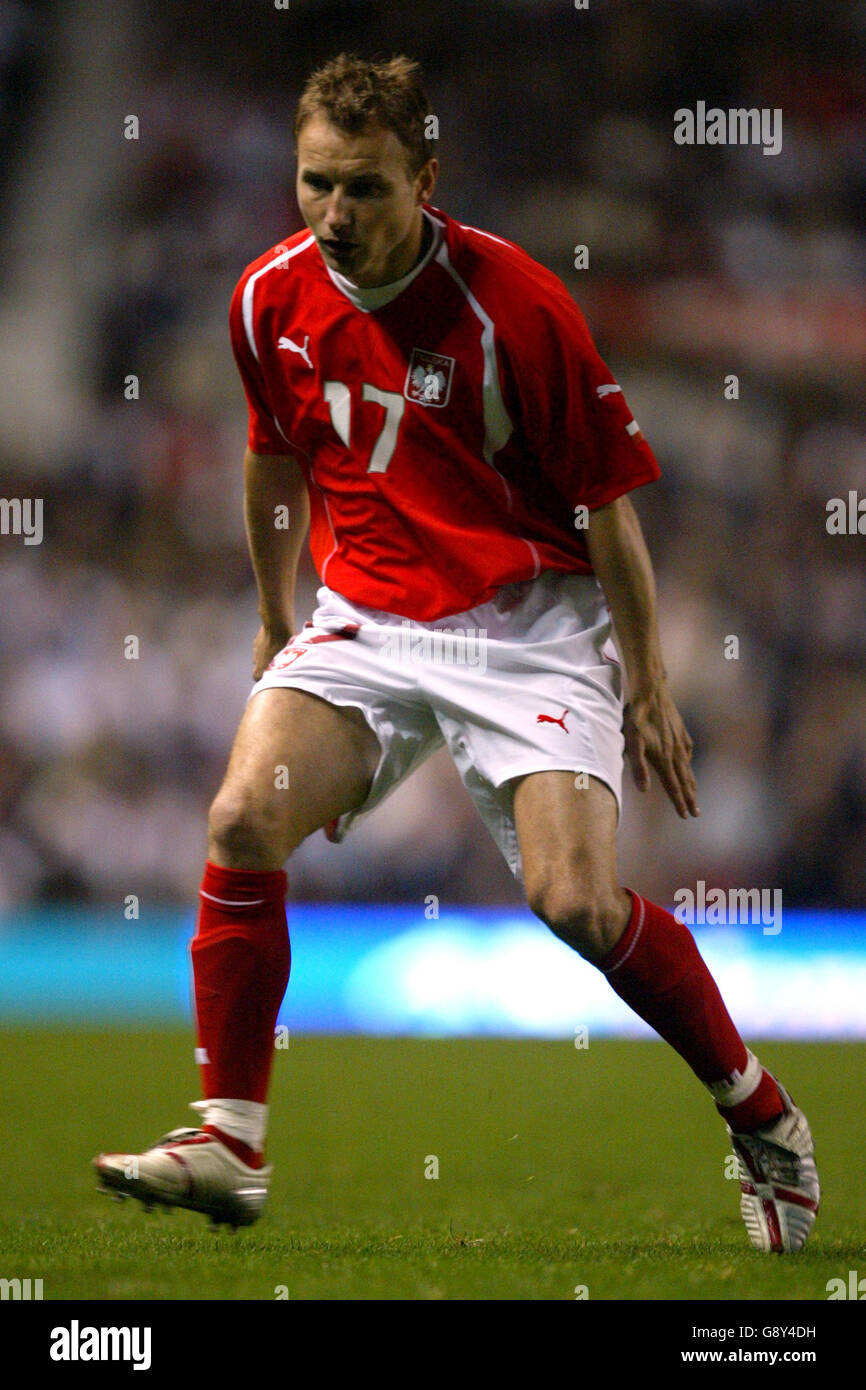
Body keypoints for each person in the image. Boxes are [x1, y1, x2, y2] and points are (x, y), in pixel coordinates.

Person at [95, 53, 818, 1252]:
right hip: (367, 616)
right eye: (314, 184)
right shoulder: (267, 296)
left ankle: (760, 1116)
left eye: (365, 189)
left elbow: (605, 507)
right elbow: (273, 451)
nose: (334, 215)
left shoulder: (518, 306)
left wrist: (644, 683)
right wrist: (280, 620)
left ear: (426, 180)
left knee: (575, 902)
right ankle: (229, 1139)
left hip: (526, 623)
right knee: (240, 820)